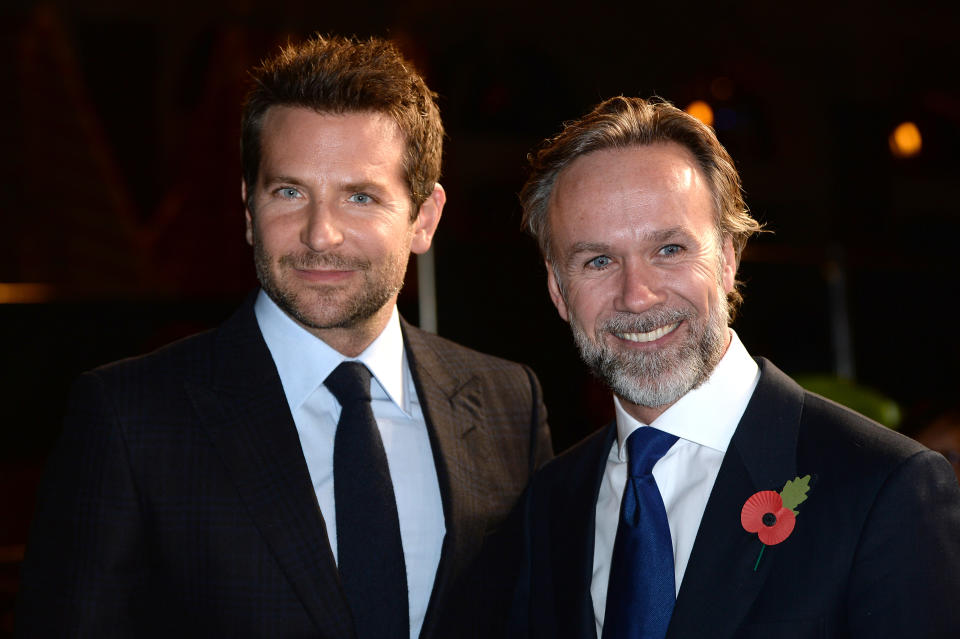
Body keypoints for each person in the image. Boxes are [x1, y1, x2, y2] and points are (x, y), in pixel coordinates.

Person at [16, 35, 552, 639]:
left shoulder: (509, 404)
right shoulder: (129, 419)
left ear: (423, 218)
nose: (320, 234)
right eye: (290, 192)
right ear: (248, 211)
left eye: (360, 196)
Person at [510, 96, 960, 638]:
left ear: (728, 258)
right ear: (559, 290)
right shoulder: (550, 502)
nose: (637, 295)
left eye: (670, 249)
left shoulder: (884, 486)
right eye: (598, 261)